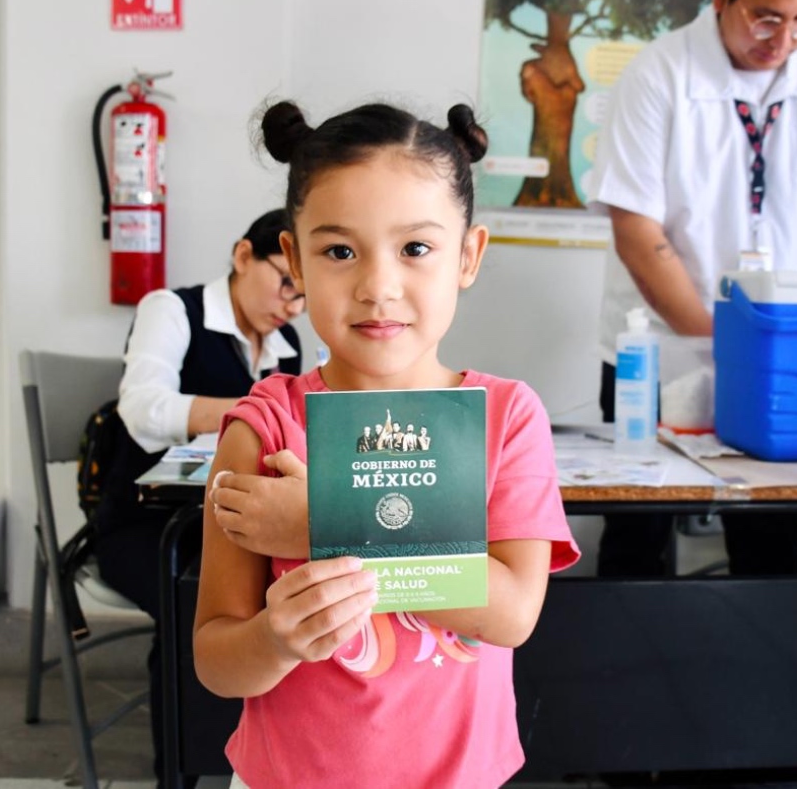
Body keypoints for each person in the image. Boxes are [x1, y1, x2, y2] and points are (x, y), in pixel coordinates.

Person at [193, 100, 581, 788]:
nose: (378, 286)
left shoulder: (505, 418)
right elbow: (216, 660)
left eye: (416, 249)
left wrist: (324, 522)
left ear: (467, 256)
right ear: (294, 260)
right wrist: (271, 641)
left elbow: (512, 612)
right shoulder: (265, 427)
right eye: (339, 251)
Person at [587, 0, 797, 578]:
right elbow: (636, 229)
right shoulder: (659, 73)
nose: (782, 41)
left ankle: (753, 668)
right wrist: (725, 347)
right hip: (656, 356)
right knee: (636, 536)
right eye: (767, 18)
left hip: (779, 364)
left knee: (771, 539)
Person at [91, 208, 306, 786]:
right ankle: (182, 770)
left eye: (302, 295)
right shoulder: (173, 309)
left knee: (288, 593)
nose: (291, 306)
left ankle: (264, 754)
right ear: (242, 257)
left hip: (232, 523)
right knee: (191, 600)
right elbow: (141, 408)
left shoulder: (286, 347)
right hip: (145, 522)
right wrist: (248, 417)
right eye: (285, 281)